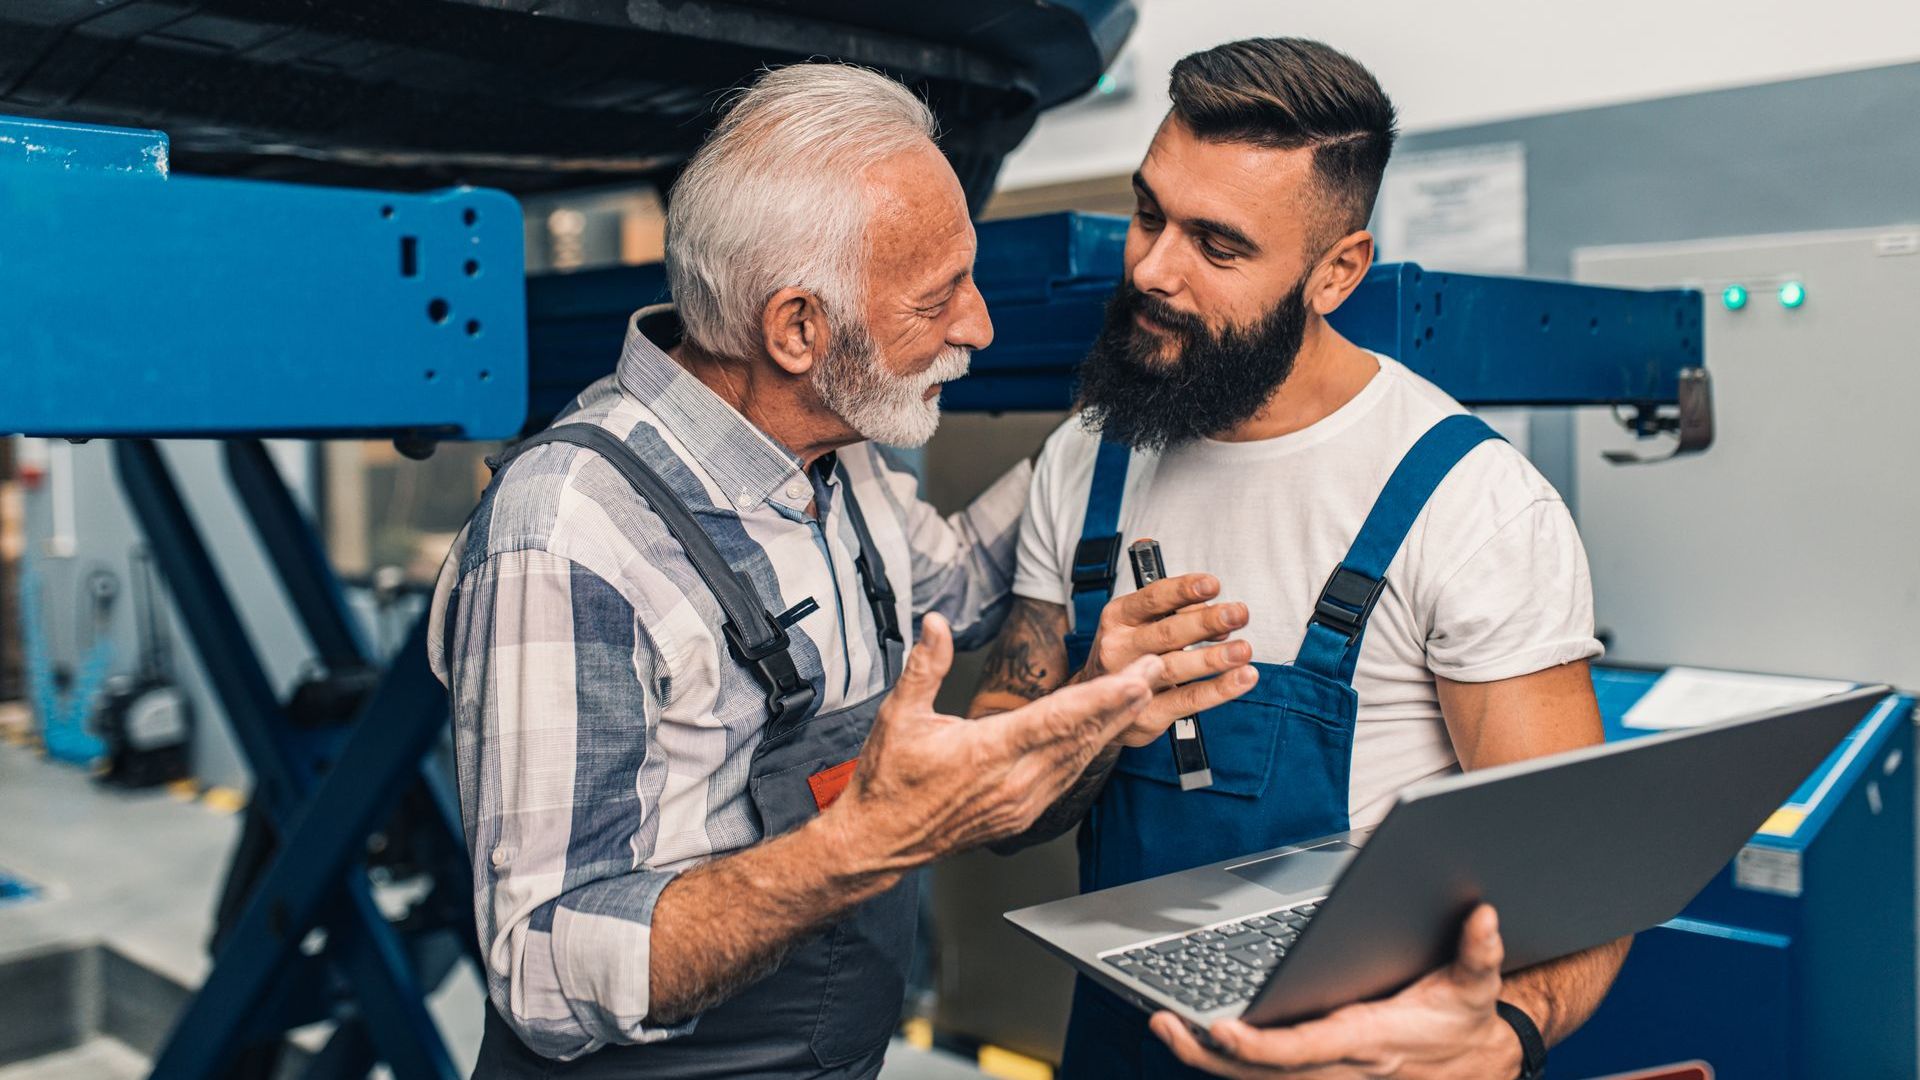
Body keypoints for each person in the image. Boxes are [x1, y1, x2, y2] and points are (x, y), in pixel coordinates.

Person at [429, 61, 1251, 1078]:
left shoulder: (834, 455)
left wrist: (1116, 425)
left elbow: (956, 585)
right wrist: (859, 844)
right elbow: (543, 975)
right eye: (938, 295)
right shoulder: (567, 535)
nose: (980, 326)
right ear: (797, 329)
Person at [968, 38, 1630, 1080]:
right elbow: (994, 810)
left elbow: (1574, 877)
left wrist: (1506, 1036)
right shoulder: (1086, 462)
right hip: (1119, 1047)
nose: (1152, 269)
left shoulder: (1469, 504)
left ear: (1337, 272)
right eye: (1150, 213)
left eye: (1218, 248)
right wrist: (1094, 704)